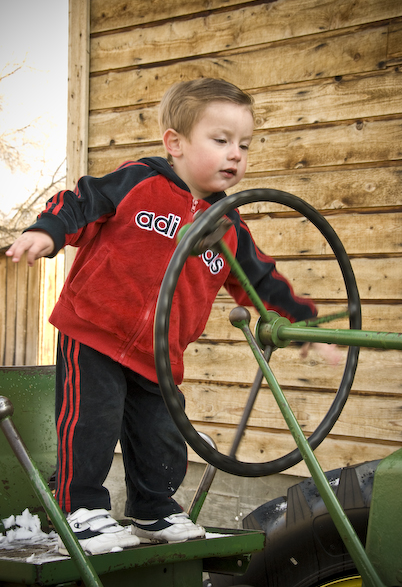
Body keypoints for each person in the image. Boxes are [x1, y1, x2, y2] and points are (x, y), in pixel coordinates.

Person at [6, 78, 336, 555]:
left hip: (158, 353)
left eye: (244, 145)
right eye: (220, 140)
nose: (235, 154)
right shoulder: (140, 181)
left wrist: (304, 324)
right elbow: (81, 201)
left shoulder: (227, 226)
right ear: (175, 144)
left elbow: (263, 281)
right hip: (94, 330)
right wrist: (49, 231)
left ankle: (153, 508)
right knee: (91, 422)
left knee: (161, 433)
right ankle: (78, 510)